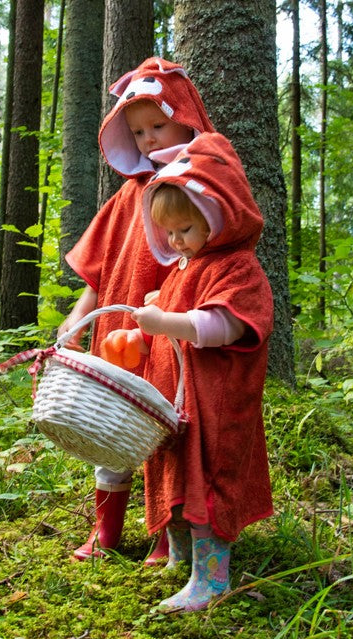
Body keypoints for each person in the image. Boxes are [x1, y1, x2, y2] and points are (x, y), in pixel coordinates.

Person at [102, 132, 274, 612]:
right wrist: (147, 330)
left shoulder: (238, 268)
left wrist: (168, 320)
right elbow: (172, 325)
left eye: (186, 229)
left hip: (215, 405)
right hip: (176, 402)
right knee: (173, 474)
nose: (176, 241)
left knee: (208, 481)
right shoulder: (184, 267)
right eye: (169, 232)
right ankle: (181, 560)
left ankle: (211, 579)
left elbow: (226, 324)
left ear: (218, 219)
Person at [60, 57, 215, 563]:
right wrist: (78, 314)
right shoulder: (128, 195)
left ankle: (162, 534)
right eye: (138, 131)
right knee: (111, 426)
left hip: (167, 333)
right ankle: (105, 532)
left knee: (161, 429)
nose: (148, 138)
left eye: (157, 125)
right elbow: (99, 266)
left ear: (185, 118)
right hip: (118, 332)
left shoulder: (198, 191)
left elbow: (214, 255)